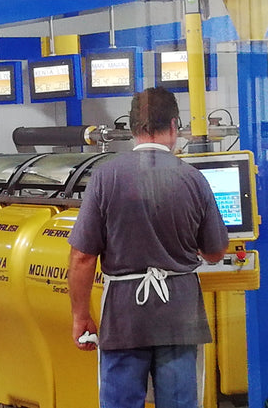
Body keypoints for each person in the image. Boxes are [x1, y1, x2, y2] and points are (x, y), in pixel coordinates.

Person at [67, 86, 229, 408]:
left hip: (124, 313)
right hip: (180, 314)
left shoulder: (105, 176)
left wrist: (80, 315)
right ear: (174, 126)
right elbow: (215, 252)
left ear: (131, 128)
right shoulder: (193, 178)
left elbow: (83, 257)